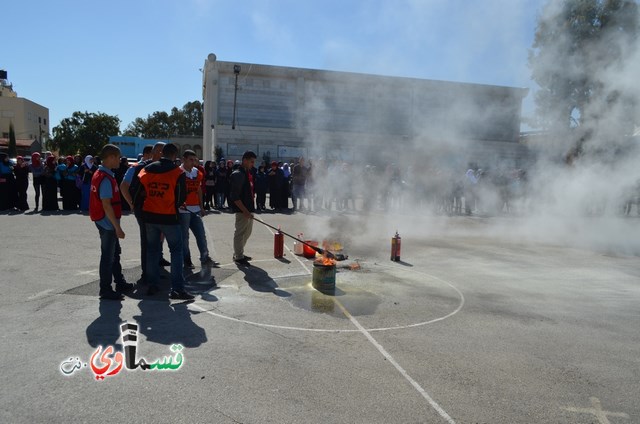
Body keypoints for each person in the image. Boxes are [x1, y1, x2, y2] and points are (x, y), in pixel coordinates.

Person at [135, 143, 193, 300]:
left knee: (152, 251)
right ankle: (177, 288)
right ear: (175, 155)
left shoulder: (147, 169)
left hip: (149, 216)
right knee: (176, 250)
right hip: (169, 217)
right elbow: (181, 196)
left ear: (162, 153)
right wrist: (172, 205)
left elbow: (139, 191)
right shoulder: (177, 172)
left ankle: (152, 284)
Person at [89, 144, 134, 300]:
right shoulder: (105, 178)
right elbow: (106, 205)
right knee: (108, 256)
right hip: (107, 223)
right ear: (111, 157)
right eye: (118, 157)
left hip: (104, 221)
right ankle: (105, 289)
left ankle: (119, 282)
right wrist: (118, 228)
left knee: (114, 254)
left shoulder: (101, 174)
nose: (120, 161)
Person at [120, 144, 169, 285]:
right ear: (156, 152)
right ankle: (147, 275)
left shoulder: (162, 167)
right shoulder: (137, 167)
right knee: (148, 242)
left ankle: (153, 272)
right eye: (163, 152)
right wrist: (132, 204)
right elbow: (124, 186)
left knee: (156, 241)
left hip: (157, 210)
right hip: (144, 210)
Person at [179, 150, 218, 269]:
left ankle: (205, 257)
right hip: (183, 210)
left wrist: (201, 207)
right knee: (184, 237)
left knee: (201, 234)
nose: (193, 162)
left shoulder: (197, 172)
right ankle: (187, 260)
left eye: (195, 160)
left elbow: (199, 190)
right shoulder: (178, 172)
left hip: (195, 209)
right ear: (183, 159)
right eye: (191, 160)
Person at [229, 150, 256, 265]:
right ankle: (238, 256)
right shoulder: (238, 174)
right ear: (244, 160)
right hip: (242, 210)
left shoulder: (246, 173)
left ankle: (239, 252)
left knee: (247, 233)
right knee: (240, 233)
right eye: (251, 162)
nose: (253, 164)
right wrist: (245, 211)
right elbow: (234, 196)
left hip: (248, 209)